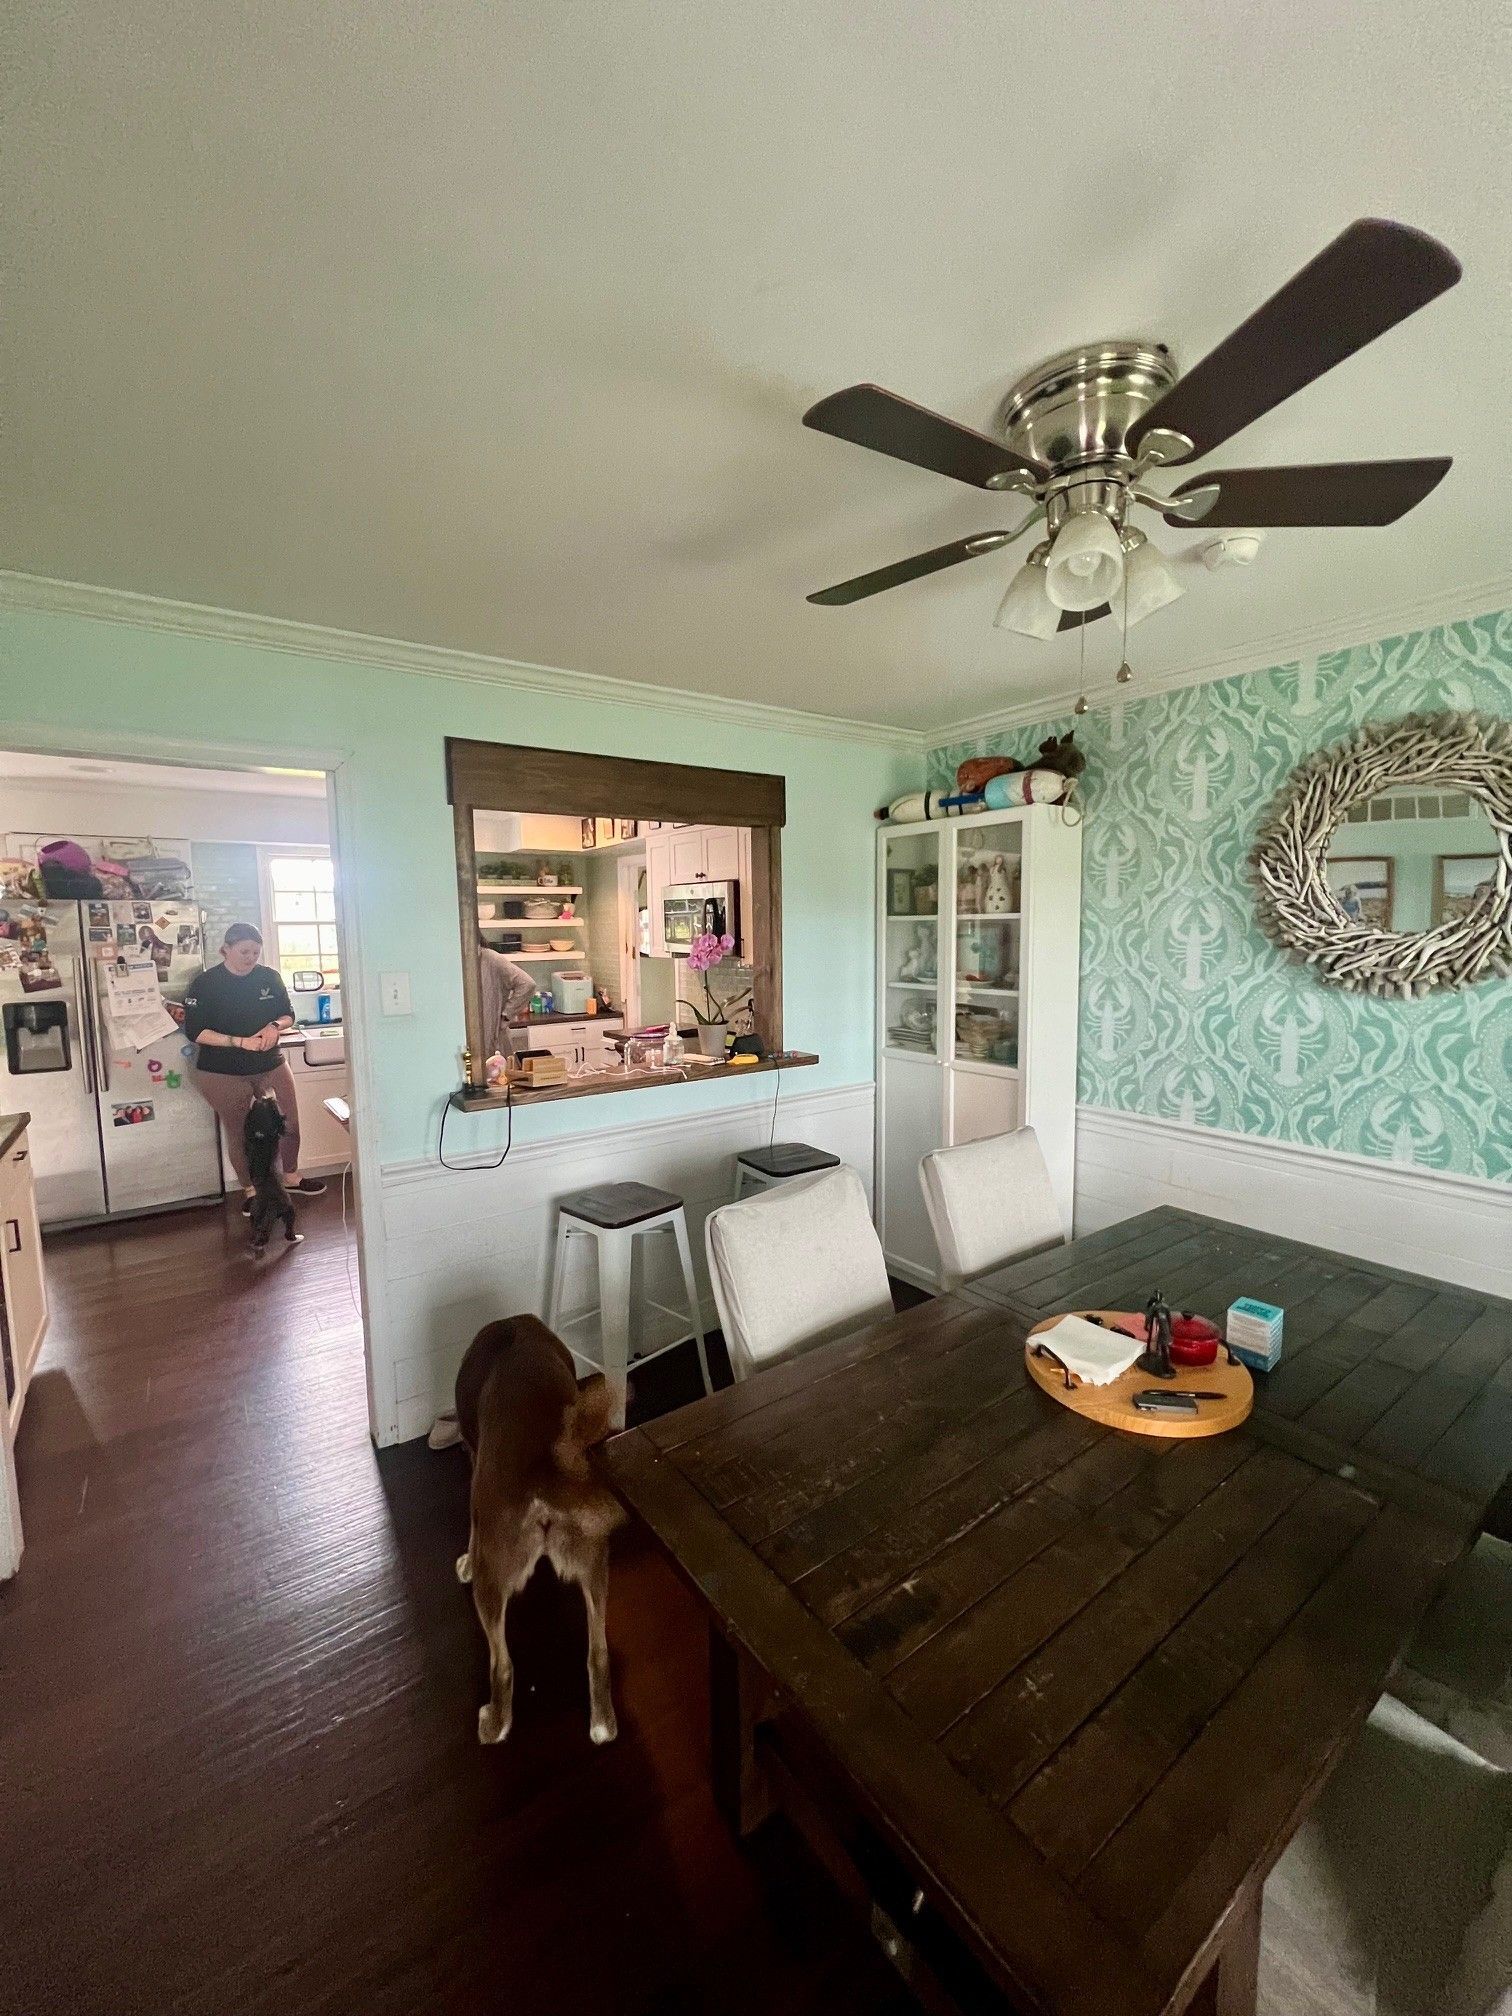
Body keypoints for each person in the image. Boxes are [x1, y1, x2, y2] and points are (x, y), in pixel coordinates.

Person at [182, 923, 326, 1213]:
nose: (250, 957)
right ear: (226, 949)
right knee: (240, 1132)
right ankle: (251, 1190)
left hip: (270, 1062)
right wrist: (239, 1042)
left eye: (256, 952)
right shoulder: (206, 983)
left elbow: (288, 1014)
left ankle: (291, 1176)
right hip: (221, 1071)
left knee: (290, 1124)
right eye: (244, 951)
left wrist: (275, 1026)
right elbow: (195, 1031)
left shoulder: (269, 978)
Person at [478, 936, 537, 1062]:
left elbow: (527, 984)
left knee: (499, 1076)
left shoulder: (490, 958)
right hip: (474, 1043)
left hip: (494, 1040)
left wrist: (506, 1014)